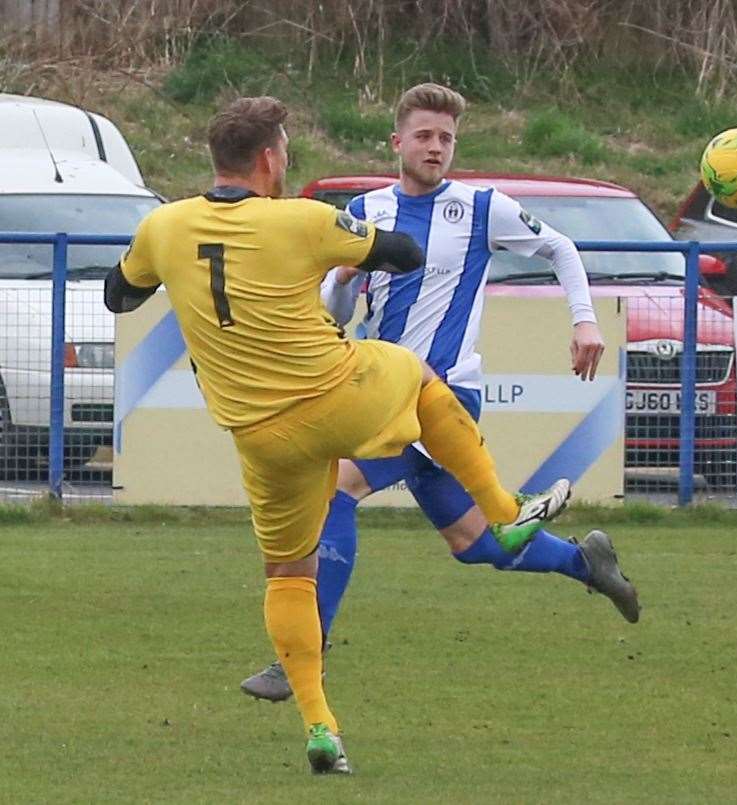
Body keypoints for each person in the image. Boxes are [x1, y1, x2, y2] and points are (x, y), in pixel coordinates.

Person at [104, 96, 573, 773]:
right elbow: (405, 251)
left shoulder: (164, 225)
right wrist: (348, 246)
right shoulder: (302, 218)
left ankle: (321, 727)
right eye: (286, 153)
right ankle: (505, 512)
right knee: (414, 371)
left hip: (260, 437)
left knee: (288, 573)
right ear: (269, 160)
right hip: (338, 396)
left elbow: (119, 296)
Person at [238, 83, 640, 703]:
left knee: (335, 489)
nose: (436, 147)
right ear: (397, 142)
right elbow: (336, 311)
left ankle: (300, 658)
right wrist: (343, 280)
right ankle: (585, 563)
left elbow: (560, 246)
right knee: (476, 544)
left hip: (441, 397)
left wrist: (584, 320)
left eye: (446, 138)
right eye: (424, 135)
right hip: (379, 390)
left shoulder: (480, 207)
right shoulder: (366, 215)